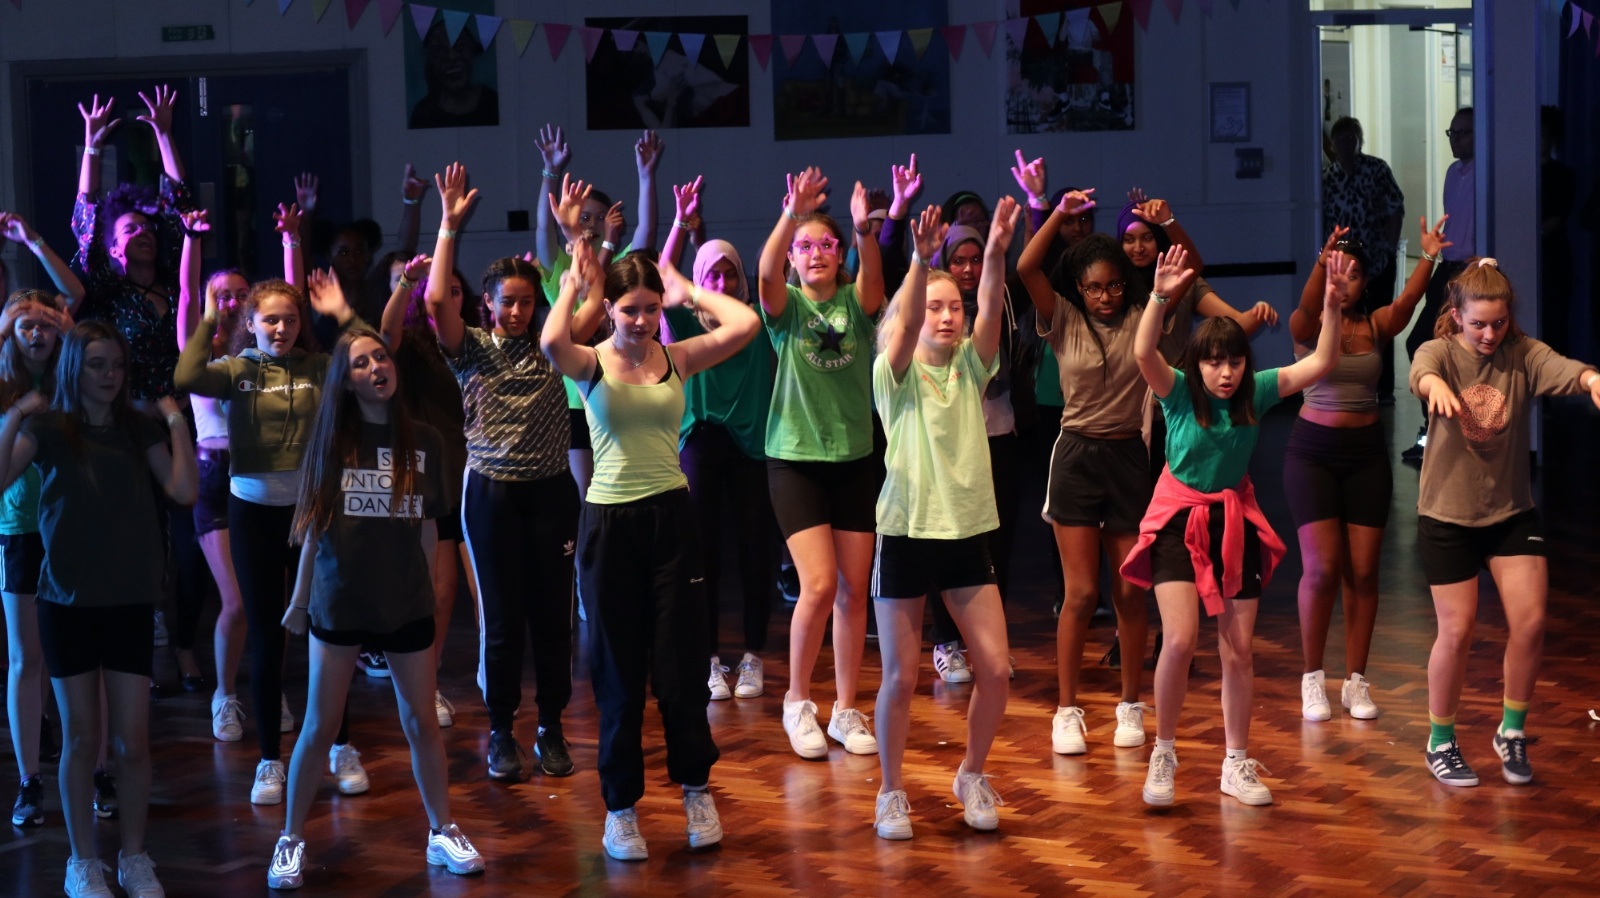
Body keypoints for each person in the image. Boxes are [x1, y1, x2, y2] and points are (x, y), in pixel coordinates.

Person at [540, 238, 759, 861]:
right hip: (608, 526)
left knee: (682, 669)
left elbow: (744, 323)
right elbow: (551, 343)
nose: (641, 321)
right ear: (610, 308)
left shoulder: (677, 356)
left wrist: (689, 291)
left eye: (651, 309)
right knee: (617, 674)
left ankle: (696, 790)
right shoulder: (590, 362)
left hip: (672, 519)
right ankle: (620, 810)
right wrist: (574, 287)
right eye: (630, 309)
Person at [1122, 246, 1344, 808]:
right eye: (1215, 363)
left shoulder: (1257, 391)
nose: (1226, 374)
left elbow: (1321, 362)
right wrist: (1160, 295)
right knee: (1179, 639)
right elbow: (1143, 350)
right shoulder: (1177, 392)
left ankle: (1235, 763)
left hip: (1233, 520)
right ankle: (1164, 752)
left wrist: (1334, 306)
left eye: (1235, 363)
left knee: (1239, 651)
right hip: (1178, 519)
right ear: (1197, 365)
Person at [267, 327, 484, 889]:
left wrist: (431, 594)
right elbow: (312, 528)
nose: (376, 368)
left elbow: (429, 528)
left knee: (421, 722)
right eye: (361, 363)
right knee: (319, 724)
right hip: (339, 600)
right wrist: (299, 601)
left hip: (404, 602)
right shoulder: (331, 440)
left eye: (380, 357)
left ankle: (441, 829)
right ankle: (290, 838)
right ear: (346, 380)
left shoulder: (425, 440)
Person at [0, 321, 197, 898]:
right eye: (96, 365)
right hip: (67, 602)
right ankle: (82, 862)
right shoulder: (50, 428)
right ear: (74, 369)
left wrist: (176, 422)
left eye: (116, 365)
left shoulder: (138, 427)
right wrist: (14, 415)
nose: (110, 375)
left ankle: (134, 857)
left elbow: (184, 491)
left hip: (130, 601)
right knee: (82, 740)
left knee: (131, 742)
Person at [174, 268, 369, 807]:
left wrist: (342, 314)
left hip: (312, 513)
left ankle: (341, 747)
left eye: (290, 320)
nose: (281, 329)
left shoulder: (318, 367)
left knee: (329, 631)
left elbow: (372, 355)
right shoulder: (236, 368)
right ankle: (269, 761)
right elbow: (186, 375)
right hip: (253, 513)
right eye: (270, 321)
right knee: (266, 636)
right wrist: (209, 319)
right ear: (252, 323)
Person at [1410, 259, 1600, 787]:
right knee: (1457, 630)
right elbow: (1420, 370)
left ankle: (1511, 732)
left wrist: (1592, 378)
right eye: (1478, 324)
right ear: (1457, 316)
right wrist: (1433, 386)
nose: (1490, 334)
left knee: (1531, 621)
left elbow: (1564, 368)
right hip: (1447, 514)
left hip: (1510, 512)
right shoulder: (1441, 352)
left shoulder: (1522, 354)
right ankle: (1440, 741)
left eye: (1498, 323)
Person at [424, 163, 580, 782]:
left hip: (551, 493)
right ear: (487, 304)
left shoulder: (553, 346)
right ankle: (500, 730)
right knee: (503, 619)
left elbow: (588, 293)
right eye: (507, 301)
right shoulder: (471, 348)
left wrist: (576, 238)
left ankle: (552, 728)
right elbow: (435, 301)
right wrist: (448, 226)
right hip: (491, 495)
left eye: (526, 301)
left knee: (553, 616)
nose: (517, 311)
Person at [870, 201, 1015, 840]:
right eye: (936, 307)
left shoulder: (970, 366)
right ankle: (890, 791)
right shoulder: (893, 372)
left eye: (954, 306)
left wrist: (996, 252)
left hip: (965, 533)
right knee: (901, 677)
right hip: (906, 531)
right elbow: (902, 326)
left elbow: (990, 307)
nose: (948, 316)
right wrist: (919, 261)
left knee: (997, 669)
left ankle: (971, 774)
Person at [1018, 186, 1166, 756]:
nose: (1105, 296)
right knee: (1079, 593)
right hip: (1077, 457)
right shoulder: (1063, 319)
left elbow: (1186, 272)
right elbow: (1027, 266)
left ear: (1125, 283)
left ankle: (1130, 704)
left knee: (1130, 591)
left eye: (1113, 285)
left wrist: (1167, 224)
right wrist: (1059, 212)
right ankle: (1066, 710)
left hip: (1128, 458)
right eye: (1093, 287)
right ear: (1079, 289)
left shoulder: (1143, 317)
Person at [1289, 219, 1447, 723]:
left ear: (1364, 282)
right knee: (1321, 570)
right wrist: (1323, 265)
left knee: (1362, 572)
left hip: (1366, 456)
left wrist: (1429, 255)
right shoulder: (1308, 325)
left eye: (1354, 274)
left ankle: (1356, 682)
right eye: (1337, 271)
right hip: (1313, 454)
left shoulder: (1375, 325)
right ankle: (1312, 679)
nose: (1345, 280)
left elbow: (1408, 303)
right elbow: (1308, 307)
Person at [756, 167, 886, 759]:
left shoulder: (856, 306)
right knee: (819, 583)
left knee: (854, 591)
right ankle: (798, 701)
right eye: (804, 247)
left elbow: (874, 282)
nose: (816, 254)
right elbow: (764, 275)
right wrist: (791, 214)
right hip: (794, 461)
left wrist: (862, 230)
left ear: (839, 254)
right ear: (793, 256)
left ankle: (846, 708)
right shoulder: (785, 310)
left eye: (826, 245)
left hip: (854, 459)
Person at [657, 177, 778, 702]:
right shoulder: (688, 324)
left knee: (755, 552)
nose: (723, 282)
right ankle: (708, 658)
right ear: (700, 281)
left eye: (730, 272)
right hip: (701, 443)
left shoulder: (757, 323)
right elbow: (663, 274)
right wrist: (679, 222)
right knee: (700, 556)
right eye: (712, 274)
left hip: (752, 447)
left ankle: (752, 656)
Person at [378, 254, 473, 727]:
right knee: (433, 591)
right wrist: (407, 283)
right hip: (422, 482)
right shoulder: (412, 346)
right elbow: (385, 332)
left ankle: (483, 683)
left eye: (456, 291)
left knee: (465, 591)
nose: (449, 298)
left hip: (468, 478)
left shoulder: (471, 344)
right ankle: (422, 688)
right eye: (441, 291)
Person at [0, 290, 70, 829]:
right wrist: (21, 409)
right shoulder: (5, 386)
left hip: (72, 527)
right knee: (27, 658)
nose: (36, 334)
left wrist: (65, 326)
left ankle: (96, 771)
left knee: (77, 658)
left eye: (44, 324)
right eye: (25, 326)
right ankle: (29, 780)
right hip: (19, 530)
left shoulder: (74, 377)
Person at [1404, 107, 1476, 461]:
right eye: (1452, 133)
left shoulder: (1484, 172)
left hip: (1468, 270)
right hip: (1447, 266)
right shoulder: (1452, 173)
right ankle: (1431, 427)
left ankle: (1453, 431)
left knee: (1458, 352)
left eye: (1463, 133)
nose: (1455, 140)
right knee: (1418, 342)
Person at [1321, 116, 1406, 401]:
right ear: (1333, 144)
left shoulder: (1377, 169)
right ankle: (1353, 382)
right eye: (1341, 139)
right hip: (1343, 267)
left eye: (1352, 138)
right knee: (1347, 324)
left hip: (1377, 261)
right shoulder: (1327, 178)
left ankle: (1384, 388)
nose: (1347, 144)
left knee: (1381, 323)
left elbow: (1396, 207)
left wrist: (1390, 248)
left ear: (1360, 141)